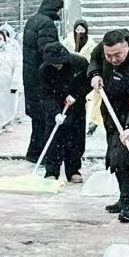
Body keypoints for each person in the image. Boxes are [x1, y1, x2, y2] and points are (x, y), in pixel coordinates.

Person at [91, 29, 129, 222]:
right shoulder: (104, 50)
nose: (112, 59)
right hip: (111, 111)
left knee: (125, 158)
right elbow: (94, 59)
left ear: (126, 45)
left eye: (117, 55)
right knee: (114, 158)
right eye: (108, 55)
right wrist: (95, 74)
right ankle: (123, 199)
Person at [22, 0, 68, 162]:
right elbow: (48, 51)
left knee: (37, 120)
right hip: (42, 78)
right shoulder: (47, 24)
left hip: (30, 76)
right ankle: (45, 155)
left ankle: (34, 153)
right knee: (46, 117)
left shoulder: (32, 20)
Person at [42, 52, 89, 181]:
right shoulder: (44, 69)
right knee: (53, 138)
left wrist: (76, 95)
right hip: (55, 104)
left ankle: (73, 170)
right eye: (54, 64)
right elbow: (46, 94)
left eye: (60, 64)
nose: (58, 66)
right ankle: (51, 171)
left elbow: (88, 82)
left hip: (76, 105)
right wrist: (55, 112)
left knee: (75, 138)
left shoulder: (80, 63)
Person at [0, 26, 22, 135]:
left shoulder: (11, 52)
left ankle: (8, 122)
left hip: (7, 83)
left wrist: (15, 83)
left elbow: (17, 67)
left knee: (7, 104)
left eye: (0, 39)